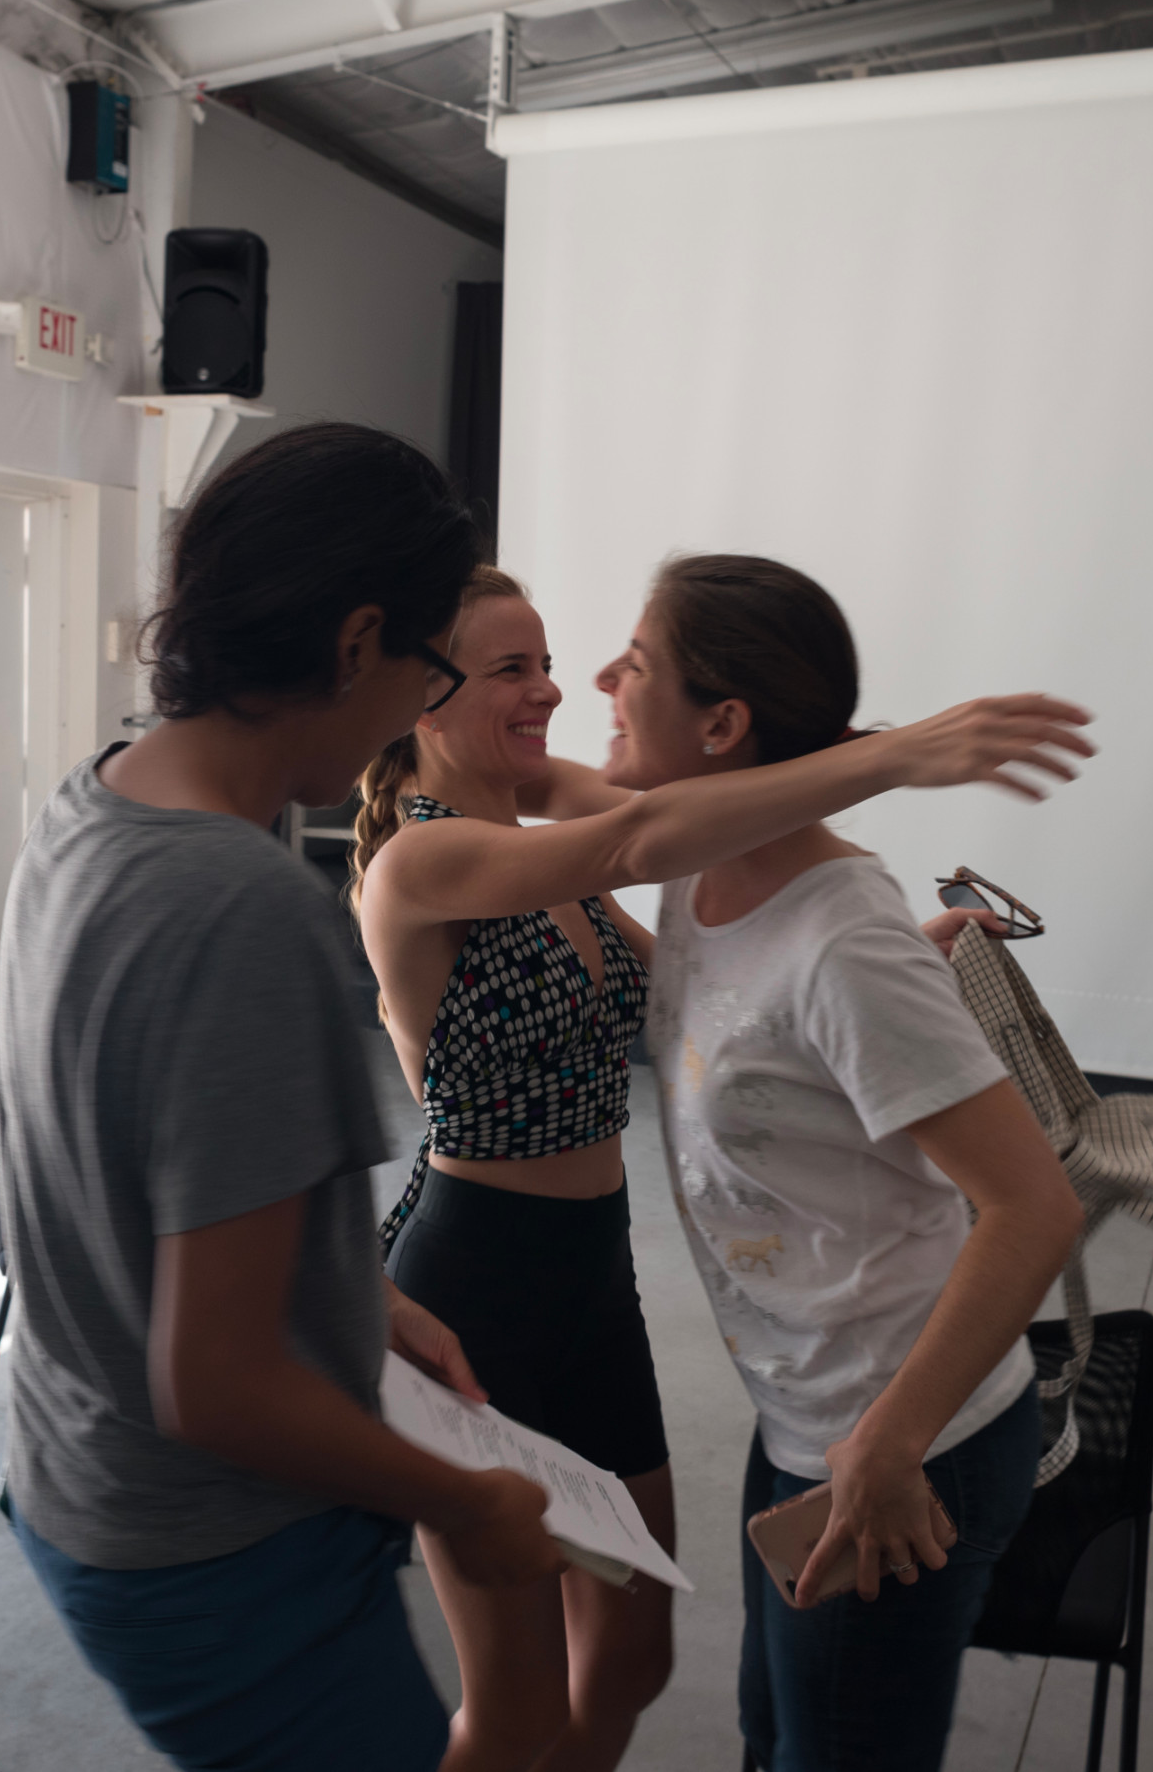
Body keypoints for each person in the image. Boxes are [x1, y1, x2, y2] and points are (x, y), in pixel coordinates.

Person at [350, 568, 1093, 1772]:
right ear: (421, 696)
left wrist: (878, 965)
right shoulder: (421, 864)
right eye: (511, 670)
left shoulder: (557, 825)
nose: (560, 688)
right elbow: (645, 831)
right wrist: (898, 753)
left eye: (558, 663)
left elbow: (712, 982)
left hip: (595, 1283)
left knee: (630, 1658)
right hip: (475, 1287)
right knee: (518, 1706)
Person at [0, 423, 563, 1772]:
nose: (413, 715)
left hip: (73, 1473)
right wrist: (467, 1502)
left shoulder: (90, 802)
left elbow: (121, 1188)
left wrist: (350, 1295)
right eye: (431, 672)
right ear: (358, 641)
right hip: (215, 1552)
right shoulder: (242, 904)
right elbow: (218, 1384)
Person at [597, 554, 1085, 1772]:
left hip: (904, 1441)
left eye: (635, 663)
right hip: (807, 1417)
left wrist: (890, 1443)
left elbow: (1032, 1207)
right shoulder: (701, 869)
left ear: (722, 724)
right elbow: (758, 1010)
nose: (602, 679)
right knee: (779, 1735)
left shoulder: (844, 941)